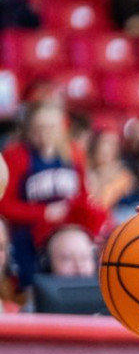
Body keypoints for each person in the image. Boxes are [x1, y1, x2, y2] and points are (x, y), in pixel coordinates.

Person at [0, 102, 106, 292]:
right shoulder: (15, 156)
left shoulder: (73, 153)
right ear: (29, 128)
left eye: (51, 127)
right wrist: (44, 212)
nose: (44, 133)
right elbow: (4, 205)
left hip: (64, 236)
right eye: (39, 127)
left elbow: (82, 195)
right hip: (27, 240)